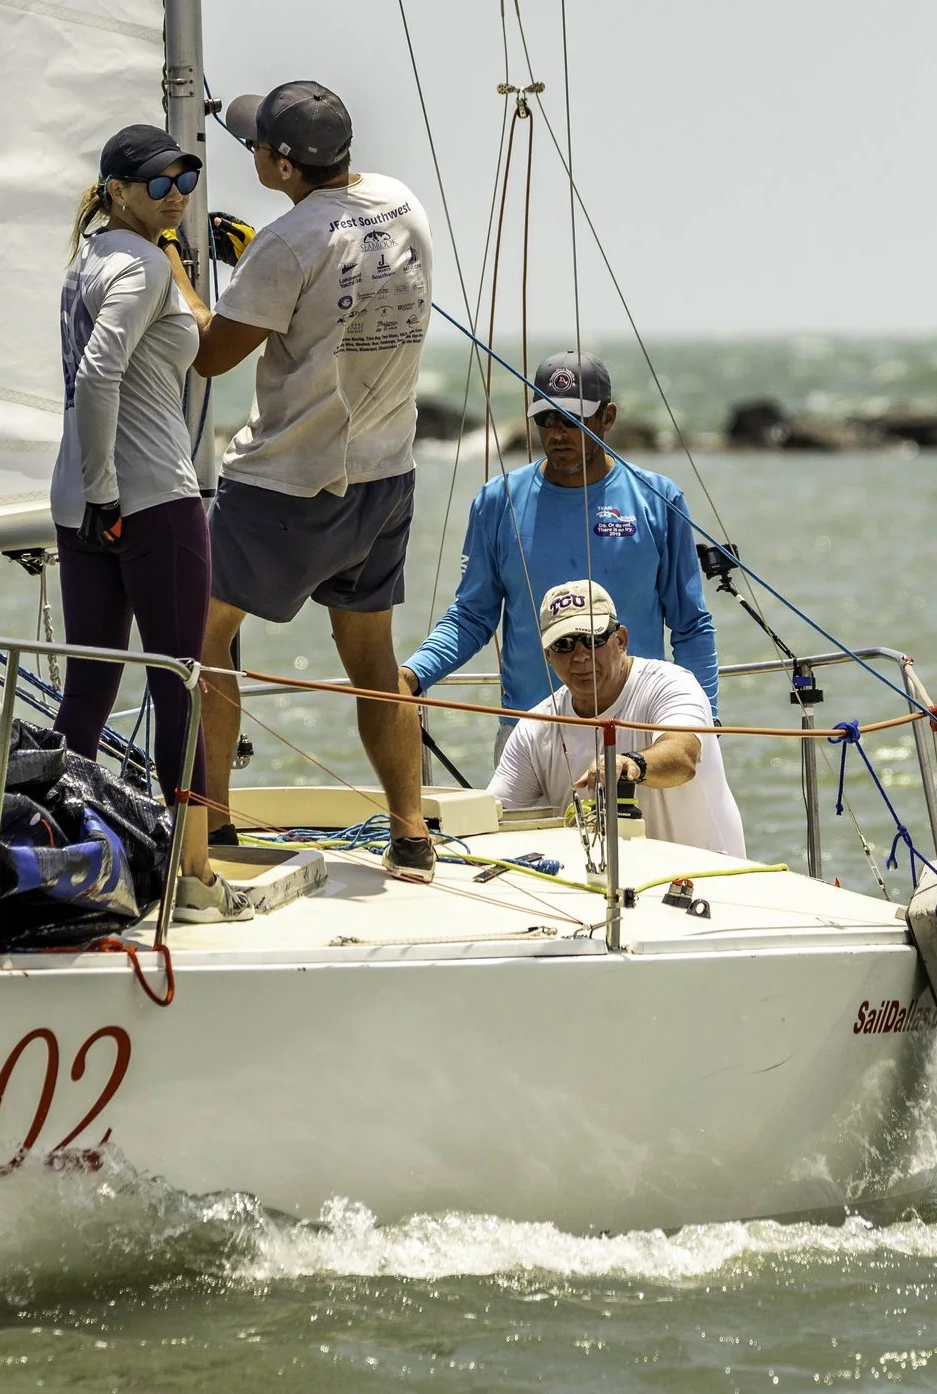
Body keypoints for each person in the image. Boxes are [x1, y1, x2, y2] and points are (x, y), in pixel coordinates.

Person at [191, 81, 440, 881]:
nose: (251, 152)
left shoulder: (287, 243)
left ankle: (213, 827)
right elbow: (336, 275)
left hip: (290, 484)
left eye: (257, 146)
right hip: (385, 475)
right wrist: (257, 259)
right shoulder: (402, 202)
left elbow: (211, 353)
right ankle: (411, 835)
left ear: (284, 165)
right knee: (372, 660)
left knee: (202, 635)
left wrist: (179, 270)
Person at [48, 123, 245, 923]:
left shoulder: (90, 260)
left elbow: (100, 371)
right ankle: (193, 875)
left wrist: (94, 494)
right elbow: (101, 371)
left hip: (78, 502)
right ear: (118, 191)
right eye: (160, 183)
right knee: (179, 684)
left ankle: (60, 858)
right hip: (151, 499)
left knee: (88, 690)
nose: (177, 194)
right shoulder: (141, 265)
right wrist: (109, 492)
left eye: (186, 179)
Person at [401, 351, 718, 765]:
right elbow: (472, 615)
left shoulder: (658, 499)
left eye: (572, 419)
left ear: (607, 417)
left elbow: (691, 625)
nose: (558, 433)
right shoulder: (497, 501)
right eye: (546, 419)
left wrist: (701, 725)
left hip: (635, 737)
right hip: (528, 737)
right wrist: (413, 674)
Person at [490, 580, 746, 858]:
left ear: (621, 640)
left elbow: (684, 757)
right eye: (564, 644)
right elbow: (496, 815)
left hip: (707, 874)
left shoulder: (672, 685)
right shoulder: (533, 729)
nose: (580, 656)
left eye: (593, 639)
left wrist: (631, 764)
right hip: (604, 879)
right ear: (548, 655)